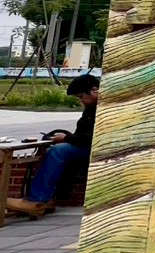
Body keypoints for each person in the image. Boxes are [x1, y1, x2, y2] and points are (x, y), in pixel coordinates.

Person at [11, 73, 99, 217]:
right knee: (53, 150)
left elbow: (91, 137)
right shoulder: (90, 109)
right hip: (85, 145)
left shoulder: (105, 108)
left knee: (59, 151)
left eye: (81, 96)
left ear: (95, 91)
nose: (81, 100)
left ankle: (37, 200)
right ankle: (47, 198)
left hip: (95, 147)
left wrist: (67, 138)